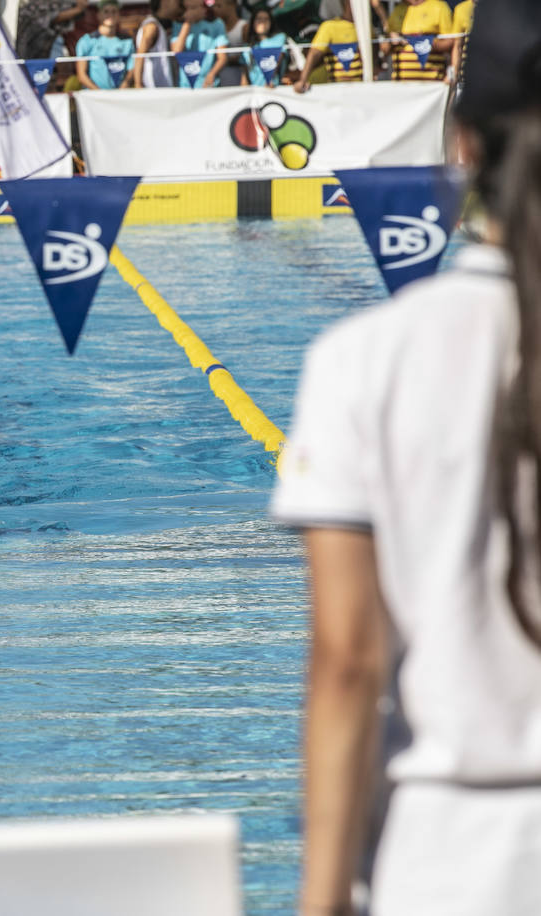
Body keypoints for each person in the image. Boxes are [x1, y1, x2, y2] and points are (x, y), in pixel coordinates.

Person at [271, 1, 541, 912]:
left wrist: (320, 899)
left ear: (461, 147)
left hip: (449, 854)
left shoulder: (363, 360)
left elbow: (349, 660)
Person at [293, 0, 362, 92]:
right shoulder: (329, 26)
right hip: (337, 88)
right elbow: (314, 53)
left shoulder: (365, 27)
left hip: (362, 87)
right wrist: (302, 80)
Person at [383, 0, 454, 81]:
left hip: (433, 82)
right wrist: (391, 41)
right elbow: (385, 49)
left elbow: (451, 43)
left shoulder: (439, 7)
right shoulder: (398, 9)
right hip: (401, 82)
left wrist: (427, 42)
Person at [75, 0, 134, 90]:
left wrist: (123, 88)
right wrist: (100, 93)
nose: (110, 15)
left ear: (119, 16)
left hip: (120, 96)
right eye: (106, 11)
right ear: (98, 15)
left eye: (114, 11)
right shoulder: (87, 40)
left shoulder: (127, 41)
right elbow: (81, 75)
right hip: (94, 97)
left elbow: (131, 70)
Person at [171, 0, 230, 88]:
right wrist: (187, 23)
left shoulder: (217, 24)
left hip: (209, 85)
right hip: (185, 85)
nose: (189, 11)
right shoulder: (178, 24)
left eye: (193, 8)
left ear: (204, 8)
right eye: (186, 8)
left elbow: (222, 57)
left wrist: (211, 74)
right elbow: (177, 51)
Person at [131, 0, 179, 89]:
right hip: (154, 92)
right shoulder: (151, 27)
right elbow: (140, 55)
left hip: (164, 90)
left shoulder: (160, 25)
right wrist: (138, 84)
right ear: (165, 2)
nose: (178, 3)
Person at [240, 8, 288, 87]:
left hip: (273, 87)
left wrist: (269, 80)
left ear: (271, 22)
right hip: (253, 91)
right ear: (253, 22)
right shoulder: (247, 46)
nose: (262, 22)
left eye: (266, 19)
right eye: (259, 19)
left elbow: (278, 59)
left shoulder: (280, 37)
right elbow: (245, 72)